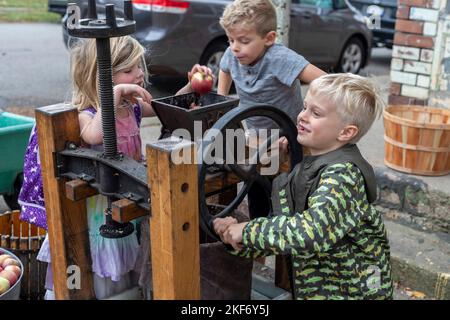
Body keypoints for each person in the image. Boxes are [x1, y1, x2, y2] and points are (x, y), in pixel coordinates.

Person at [18, 35, 212, 299]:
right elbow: (95, 136)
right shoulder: (86, 114)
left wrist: (191, 85)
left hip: (130, 193)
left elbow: (163, 109)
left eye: (139, 67)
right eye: (128, 70)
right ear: (100, 78)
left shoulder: (131, 107)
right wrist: (115, 94)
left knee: (130, 261)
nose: (140, 74)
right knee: (104, 269)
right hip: (100, 207)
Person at [214, 73, 394, 300]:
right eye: (304, 107)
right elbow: (288, 230)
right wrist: (238, 239)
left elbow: (310, 231)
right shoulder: (309, 167)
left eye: (316, 113)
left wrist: (249, 232)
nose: (302, 116)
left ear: (346, 132)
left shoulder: (343, 175)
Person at [217, 0, 326, 220]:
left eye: (244, 41)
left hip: (289, 141)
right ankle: (258, 236)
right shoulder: (234, 53)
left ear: (269, 38)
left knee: (285, 201)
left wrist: (301, 125)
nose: (235, 47)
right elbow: (225, 69)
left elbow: (326, 82)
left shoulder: (279, 58)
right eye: (230, 39)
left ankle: (285, 244)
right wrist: (221, 100)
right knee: (256, 188)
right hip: (257, 138)